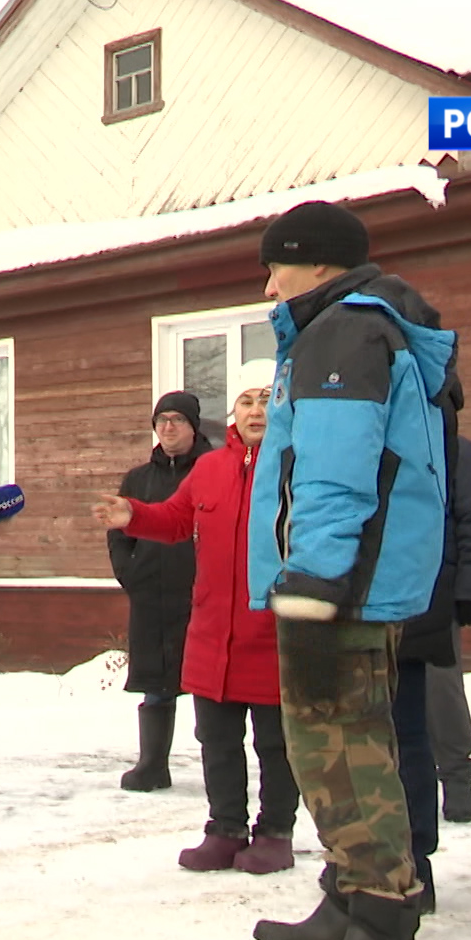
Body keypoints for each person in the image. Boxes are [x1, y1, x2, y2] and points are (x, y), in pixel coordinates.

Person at [242, 201, 455, 940]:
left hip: (342, 582)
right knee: (344, 743)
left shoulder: (343, 332)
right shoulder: (364, 328)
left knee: (339, 751)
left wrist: (317, 576)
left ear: (319, 263)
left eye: (277, 265)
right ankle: (348, 900)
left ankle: (385, 932)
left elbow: (334, 468)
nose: (269, 282)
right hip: (361, 576)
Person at [95, 362, 296, 873]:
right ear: (234, 412)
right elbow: (178, 519)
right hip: (210, 630)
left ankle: (275, 832)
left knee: (275, 742)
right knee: (217, 738)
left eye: (265, 398)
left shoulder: (299, 464)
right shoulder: (211, 469)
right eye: (246, 401)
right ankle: (225, 828)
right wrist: (133, 515)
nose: (255, 409)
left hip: (272, 629)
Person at [109, 390, 213, 792]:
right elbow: (119, 531)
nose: (168, 428)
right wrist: (129, 573)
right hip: (151, 594)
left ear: (193, 427)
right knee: (155, 683)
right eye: (162, 421)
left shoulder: (211, 469)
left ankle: (216, 767)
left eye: (177, 420)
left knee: (208, 686)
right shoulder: (138, 479)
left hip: (201, 594)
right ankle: (152, 764)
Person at [421, 436, 471, 828]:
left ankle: (456, 778)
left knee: (441, 688)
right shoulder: (373, 438)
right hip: (381, 585)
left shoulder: (458, 450)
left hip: (437, 588)